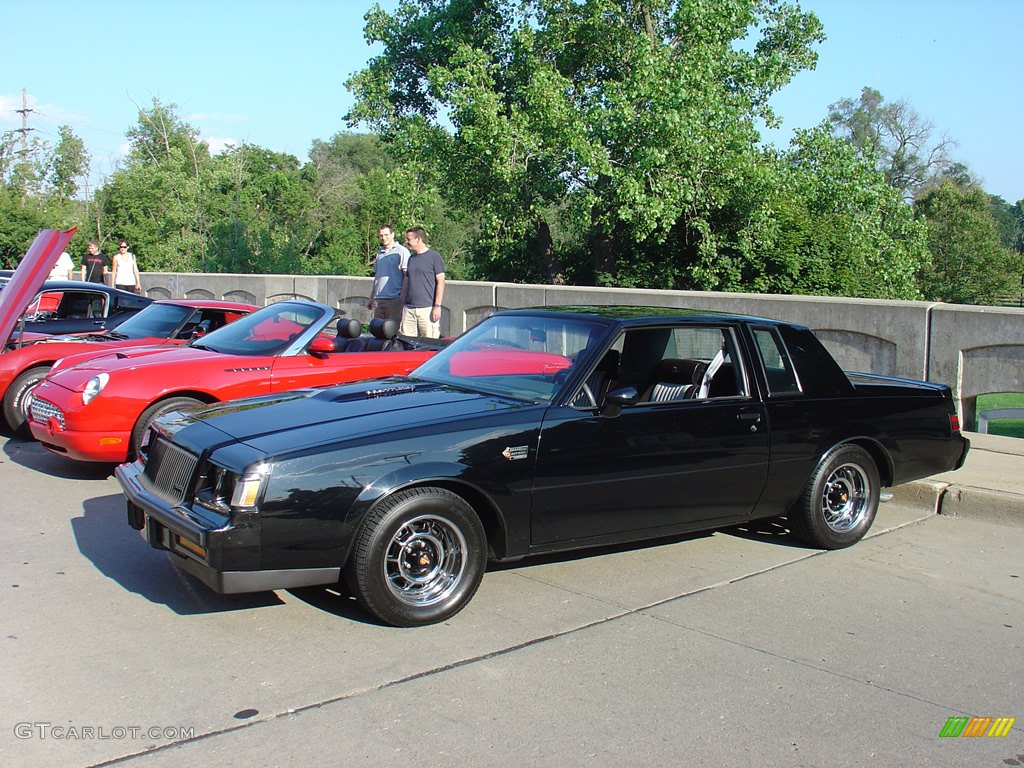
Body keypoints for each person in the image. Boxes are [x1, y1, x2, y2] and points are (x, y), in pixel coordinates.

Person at [400, 226, 445, 338]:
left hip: (427, 309)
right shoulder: (411, 258)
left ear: (418, 239)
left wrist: (437, 306)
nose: (407, 242)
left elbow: (441, 282)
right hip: (409, 309)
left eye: (409, 239)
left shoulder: (434, 257)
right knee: (407, 344)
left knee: (429, 343)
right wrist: (402, 300)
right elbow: (407, 280)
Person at [366, 224, 409, 322]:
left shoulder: (401, 251)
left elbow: (406, 276)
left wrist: (402, 297)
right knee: (378, 331)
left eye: (386, 235)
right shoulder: (379, 253)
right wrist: (371, 297)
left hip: (394, 299)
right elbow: (377, 277)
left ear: (392, 234)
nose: (383, 238)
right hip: (378, 299)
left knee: (392, 331)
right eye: (381, 235)